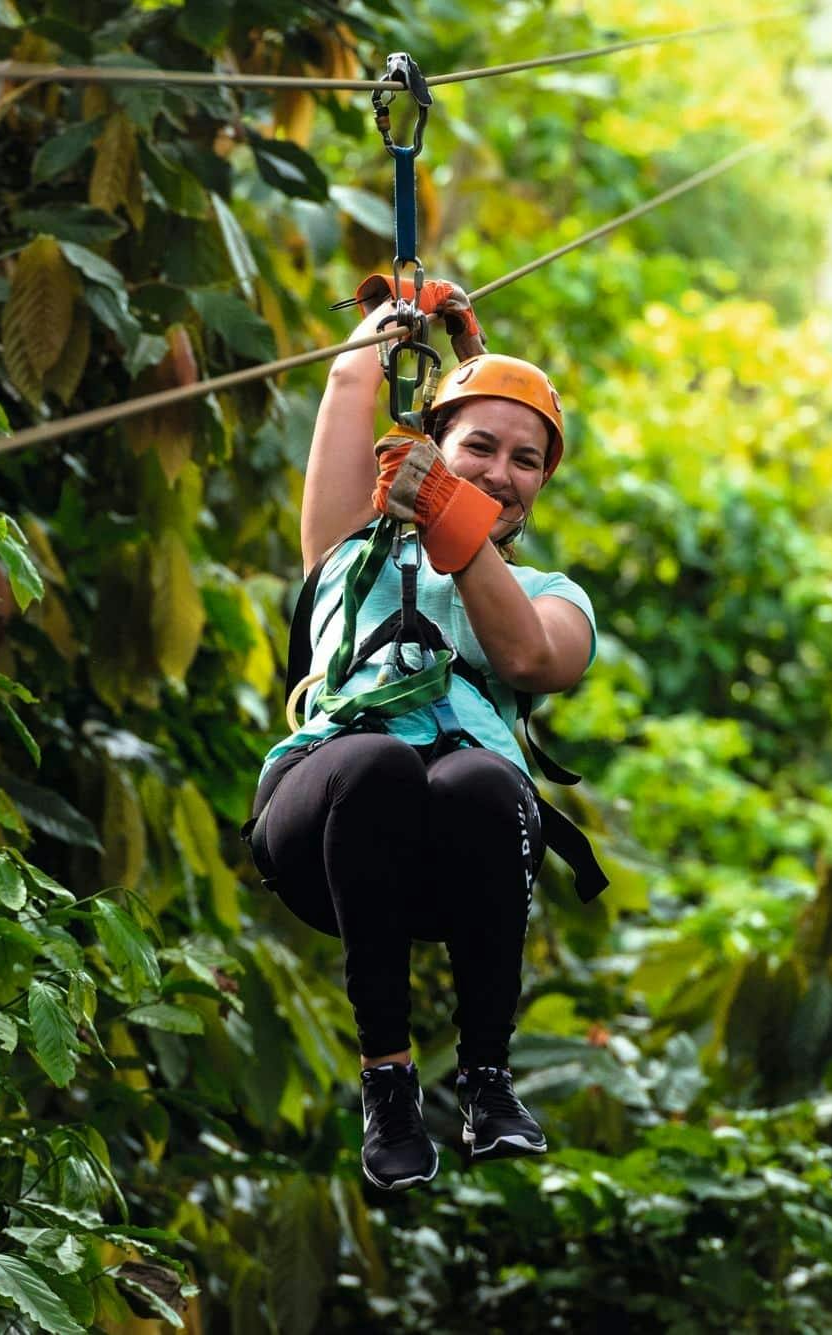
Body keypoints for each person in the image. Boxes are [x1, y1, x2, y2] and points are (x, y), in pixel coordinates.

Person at [242, 282, 598, 1192]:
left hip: (460, 853)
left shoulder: (555, 598)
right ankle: (389, 1081)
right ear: (434, 442)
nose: (501, 469)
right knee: (374, 759)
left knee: (479, 780)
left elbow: (527, 655)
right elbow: (345, 393)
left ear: (542, 487)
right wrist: (386, 326)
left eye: (527, 460)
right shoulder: (346, 545)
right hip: (325, 825)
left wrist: (455, 517)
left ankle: (487, 1079)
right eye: (477, 446)